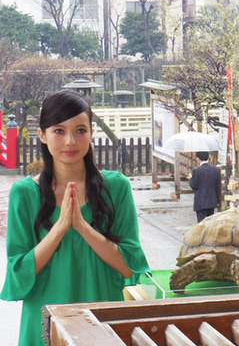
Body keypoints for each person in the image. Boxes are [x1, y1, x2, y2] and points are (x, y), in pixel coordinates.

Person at [0, 90, 150, 346]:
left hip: (102, 325)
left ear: (91, 133)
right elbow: (17, 276)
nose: (70, 140)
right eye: (59, 130)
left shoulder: (116, 187)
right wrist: (59, 229)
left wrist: (82, 227)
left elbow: (130, 267)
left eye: (80, 130)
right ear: (42, 135)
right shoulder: (24, 194)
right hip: (44, 328)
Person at [189, 151, 221, 223]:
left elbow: (194, 186)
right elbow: (217, 186)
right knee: (210, 224)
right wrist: (218, 200)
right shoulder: (215, 170)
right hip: (211, 201)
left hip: (200, 202)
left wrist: (191, 178)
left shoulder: (196, 171)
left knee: (202, 224)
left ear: (198, 159)